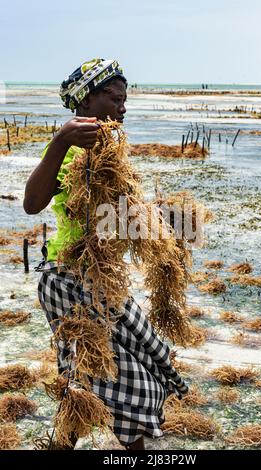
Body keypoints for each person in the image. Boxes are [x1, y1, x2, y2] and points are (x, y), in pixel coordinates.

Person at [23, 58, 188, 451]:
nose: (123, 108)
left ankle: (63, 444)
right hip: (68, 279)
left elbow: (114, 219)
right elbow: (32, 204)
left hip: (102, 281)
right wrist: (61, 141)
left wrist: (165, 232)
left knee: (105, 370)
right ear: (87, 100)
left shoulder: (108, 151)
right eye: (115, 98)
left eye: (124, 100)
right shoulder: (71, 151)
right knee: (124, 379)